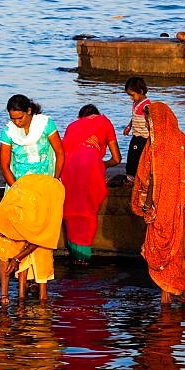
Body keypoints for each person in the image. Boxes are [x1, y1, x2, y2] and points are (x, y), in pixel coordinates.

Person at [130, 102, 185, 304]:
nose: (148, 124)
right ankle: (182, 292)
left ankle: (168, 294)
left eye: (149, 120)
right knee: (175, 245)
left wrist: (148, 202)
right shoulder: (180, 138)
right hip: (179, 199)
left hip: (161, 202)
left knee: (160, 247)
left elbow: (148, 176)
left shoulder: (154, 144)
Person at [0, 173, 65, 305]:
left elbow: (39, 239)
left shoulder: (33, 218)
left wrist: (17, 258)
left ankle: (42, 300)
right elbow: (3, 262)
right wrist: (4, 295)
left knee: (43, 256)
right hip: (26, 193)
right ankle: (21, 296)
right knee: (21, 263)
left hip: (46, 195)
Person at [61, 104, 122, 264]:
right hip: (91, 164)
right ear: (96, 114)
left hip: (67, 166)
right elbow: (116, 159)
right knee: (88, 209)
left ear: (81, 117)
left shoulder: (72, 126)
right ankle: (84, 257)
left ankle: (75, 255)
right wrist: (102, 165)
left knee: (72, 207)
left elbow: (62, 151)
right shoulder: (104, 122)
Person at [0, 94, 65, 188]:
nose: (17, 122)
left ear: (29, 111)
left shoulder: (45, 124)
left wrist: (55, 179)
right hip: (20, 182)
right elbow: (4, 166)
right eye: (13, 119)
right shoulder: (8, 132)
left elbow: (60, 152)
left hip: (46, 180)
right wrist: (16, 189)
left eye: (20, 118)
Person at [122, 77, 151, 183]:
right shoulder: (135, 103)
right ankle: (131, 176)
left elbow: (150, 120)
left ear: (141, 92)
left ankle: (134, 176)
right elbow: (134, 116)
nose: (131, 98)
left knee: (137, 156)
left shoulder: (146, 105)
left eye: (132, 95)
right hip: (136, 134)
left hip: (143, 137)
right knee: (132, 154)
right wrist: (129, 126)